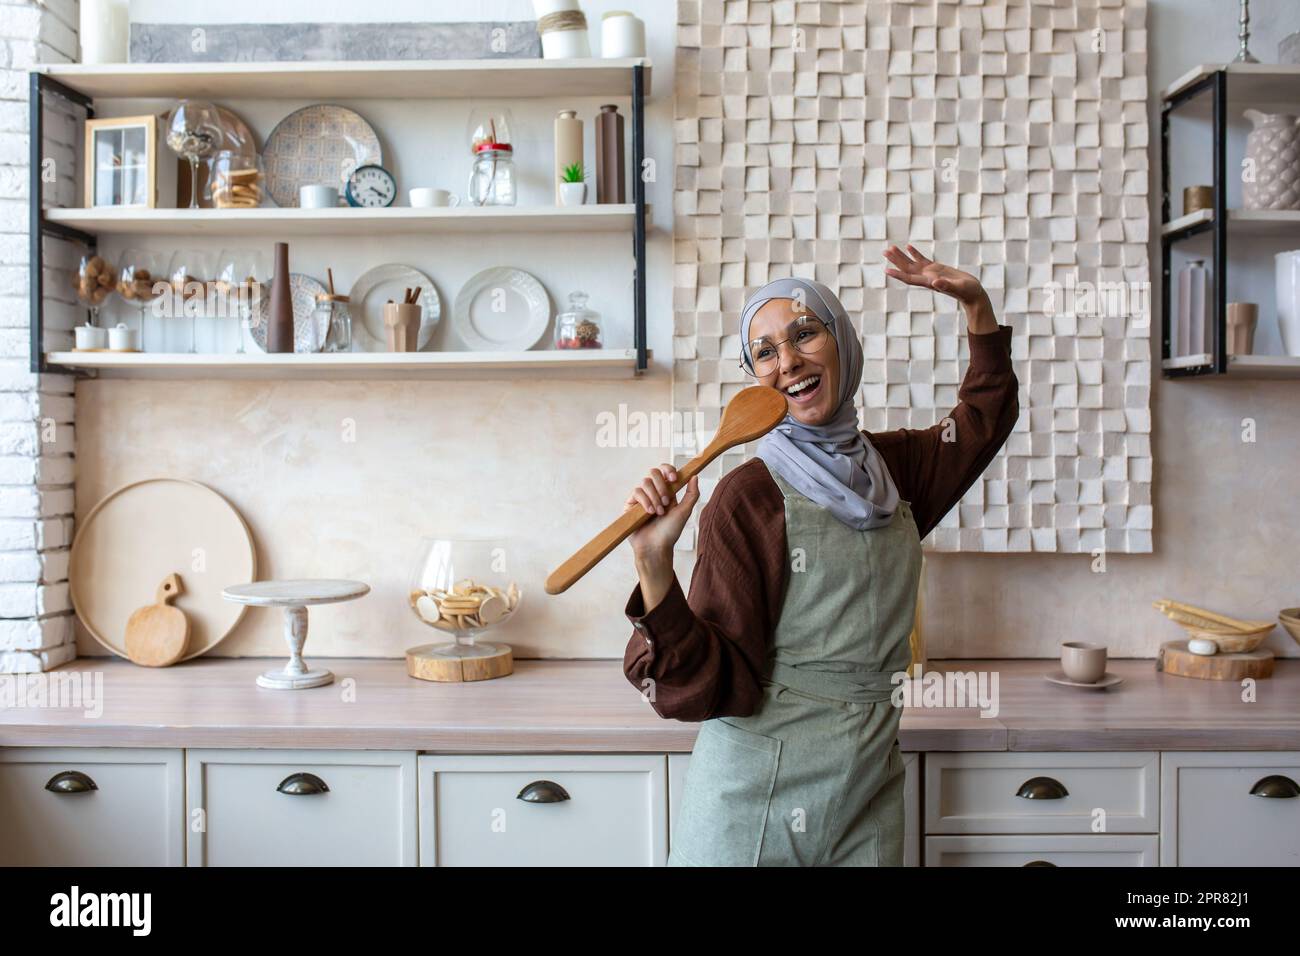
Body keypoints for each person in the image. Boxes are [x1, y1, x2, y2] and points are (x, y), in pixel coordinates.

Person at [621, 245, 1019, 866]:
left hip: (868, 781)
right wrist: (653, 564)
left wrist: (976, 304)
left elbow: (982, 419)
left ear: (842, 342)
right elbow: (706, 678)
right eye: (766, 352)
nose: (789, 362)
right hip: (753, 793)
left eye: (806, 333)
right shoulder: (747, 496)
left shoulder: (897, 469)